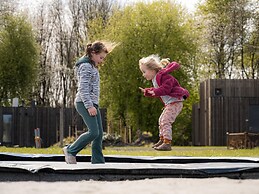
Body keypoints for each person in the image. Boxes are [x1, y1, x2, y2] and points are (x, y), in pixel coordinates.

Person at [63, 41, 111, 164]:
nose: (101, 61)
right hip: (84, 103)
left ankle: (98, 161)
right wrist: (89, 106)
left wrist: (93, 104)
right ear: (93, 53)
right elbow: (83, 89)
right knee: (94, 132)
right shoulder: (85, 67)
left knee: (99, 134)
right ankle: (70, 150)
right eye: (100, 57)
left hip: (92, 103)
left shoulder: (92, 66)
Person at [139, 55, 189, 151]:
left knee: (165, 121)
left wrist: (155, 91)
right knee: (161, 120)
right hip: (171, 103)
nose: (143, 75)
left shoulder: (164, 76)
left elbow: (166, 88)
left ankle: (167, 142)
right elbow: (157, 90)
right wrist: (147, 91)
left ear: (153, 69)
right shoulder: (156, 79)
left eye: (144, 72)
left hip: (176, 101)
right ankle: (162, 140)